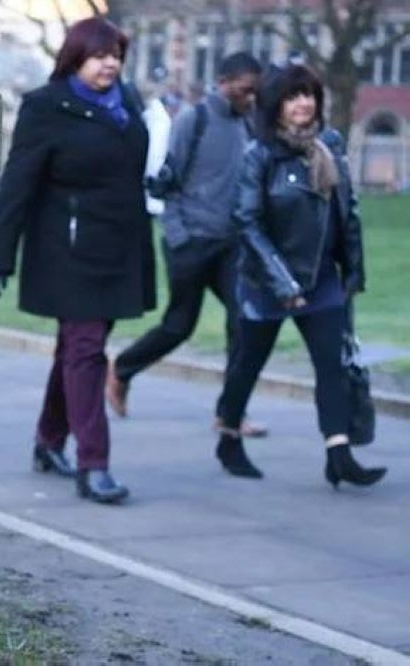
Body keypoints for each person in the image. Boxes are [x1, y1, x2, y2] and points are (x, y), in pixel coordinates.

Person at [0, 17, 155, 504]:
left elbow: (133, 165)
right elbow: (18, 183)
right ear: (75, 58)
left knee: (74, 349)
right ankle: (93, 463)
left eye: (116, 55)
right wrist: (0, 253)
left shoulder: (128, 102)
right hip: (68, 250)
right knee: (87, 349)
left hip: (118, 245)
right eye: (100, 55)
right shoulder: (45, 107)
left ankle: (48, 440)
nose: (110, 64)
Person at [213, 64, 385, 488]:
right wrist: (283, 284)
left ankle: (338, 454)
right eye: (293, 96)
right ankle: (229, 435)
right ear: (275, 106)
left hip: (322, 278)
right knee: (247, 366)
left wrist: (353, 272)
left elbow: (349, 212)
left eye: (309, 94)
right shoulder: (260, 157)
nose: (304, 103)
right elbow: (247, 223)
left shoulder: (330, 146)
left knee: (332, 367)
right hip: (266, 282)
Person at [106, 52, 268, 438]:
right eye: (246, 90)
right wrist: (179, 237)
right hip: (190, 242)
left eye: (255, 92)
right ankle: (122, 368)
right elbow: (166, 182)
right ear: (225, 81)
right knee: (180, 325)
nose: (251, 98)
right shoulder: (193, 120)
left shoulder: (248, 123)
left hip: (231, 245)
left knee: (244, 320)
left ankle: (230, 414)